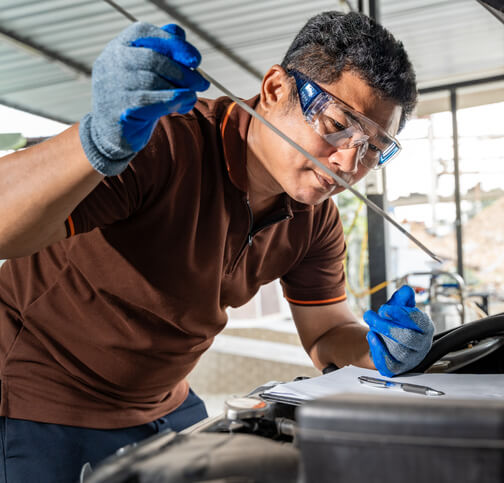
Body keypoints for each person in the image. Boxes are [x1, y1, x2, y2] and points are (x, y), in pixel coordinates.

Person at [0, 10, 434, 482]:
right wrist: (96, 141)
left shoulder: (315, 220)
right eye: (336, 123)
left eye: (373, 147)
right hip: (38, 398)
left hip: (164, 404)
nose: (349, 161)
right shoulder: (163, 142)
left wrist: (381, 348)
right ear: (274, 90)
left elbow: (326, 334)